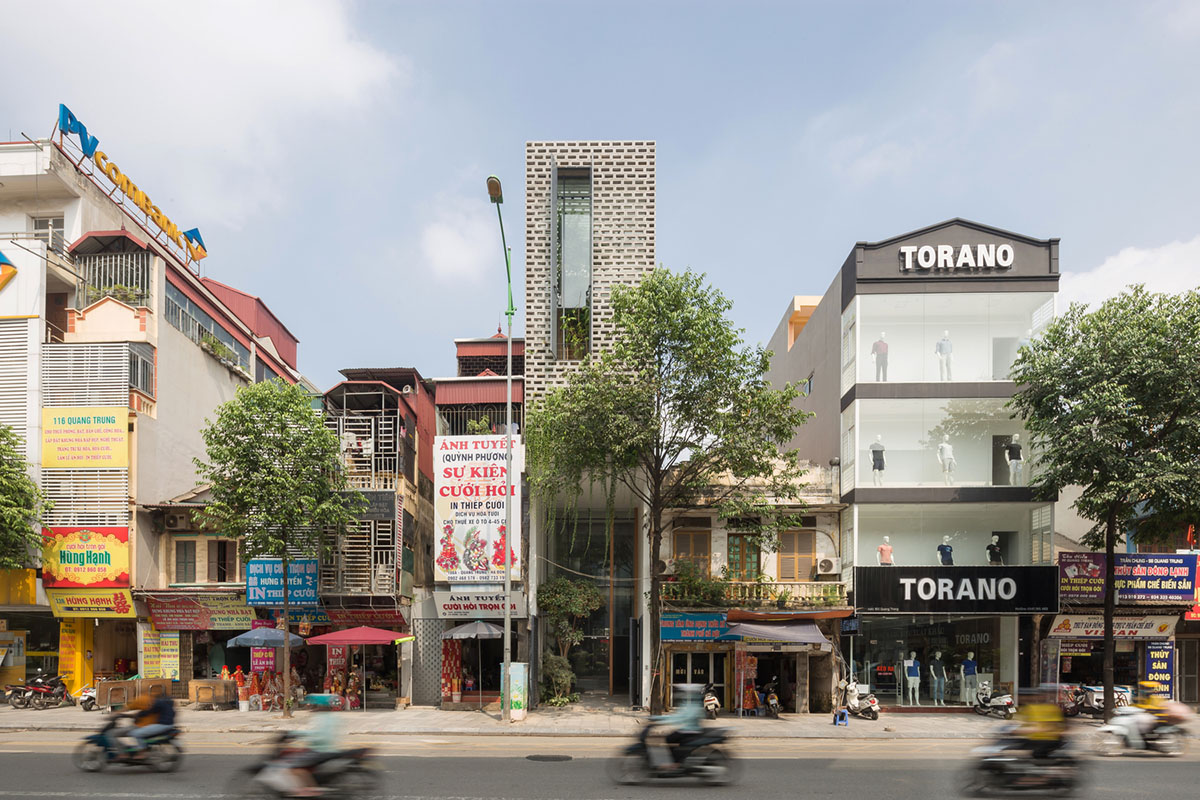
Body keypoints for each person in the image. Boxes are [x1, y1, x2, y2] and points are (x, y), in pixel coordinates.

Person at [284, 694, 345, 797]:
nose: (310, 707)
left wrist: (299, 735)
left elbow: (317, 736)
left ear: (319, 705)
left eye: (312, 705)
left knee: (295, 767)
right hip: (329, 748)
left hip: (320, 750)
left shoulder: (320, 718)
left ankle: (312, 790)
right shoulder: (331, 717)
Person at [652, 684, 705, 770]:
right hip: (687, 730)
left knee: (669, 738)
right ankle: (676, 760)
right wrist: (657, 718)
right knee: (670, 738)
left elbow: (681, 718)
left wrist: (662, 721)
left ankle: (676, 763)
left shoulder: (694, 706)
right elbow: (678, 716)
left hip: (691, 731)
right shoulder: (691, 705)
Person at [1013, 688, 1067, 761]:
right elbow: (1024, 723)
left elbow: (1048, 727)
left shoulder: (1051, 708)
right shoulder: (1028, 708)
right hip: (1035, 739)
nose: (1022, 698)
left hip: (1047, 740)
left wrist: (1025, 730)